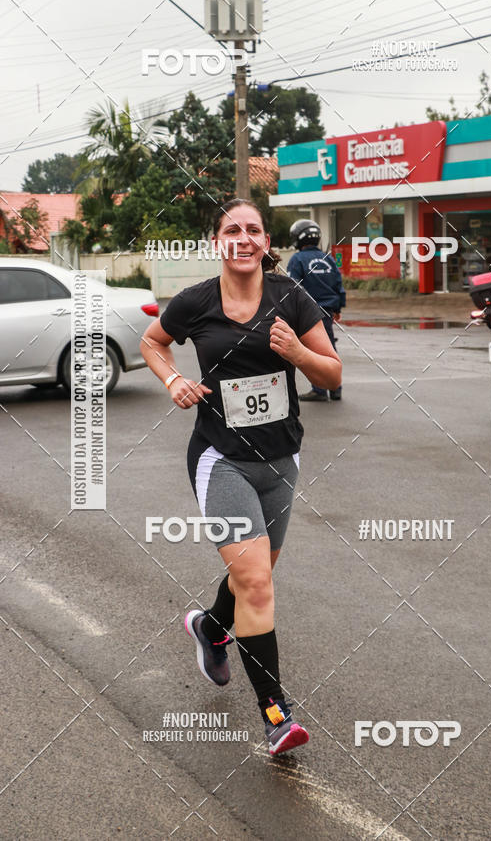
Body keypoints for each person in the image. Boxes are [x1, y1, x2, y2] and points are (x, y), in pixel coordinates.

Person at [140, 199, 342, 756]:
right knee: (255, 583)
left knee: (254, 576)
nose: (244, 238)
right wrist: (173, 380)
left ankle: (210, 629)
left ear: (266, 241)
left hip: (281, 460)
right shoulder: (196, 301)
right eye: (233, 230)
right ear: (218, 242)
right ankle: (276, 716)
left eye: (254, 229)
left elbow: (332, 373)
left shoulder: (291, 297)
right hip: (220, 456)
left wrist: (297, 351)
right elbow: (153, 342)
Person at [286, 219, 345, 401]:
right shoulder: (328, 258)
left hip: (309, 312)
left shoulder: (297, 259)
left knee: (313, 348)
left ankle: (320, 390)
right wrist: (337, 308)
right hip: (327, 310)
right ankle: (335, 388)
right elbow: (338, 284)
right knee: (328, 347)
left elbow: (294, 287)